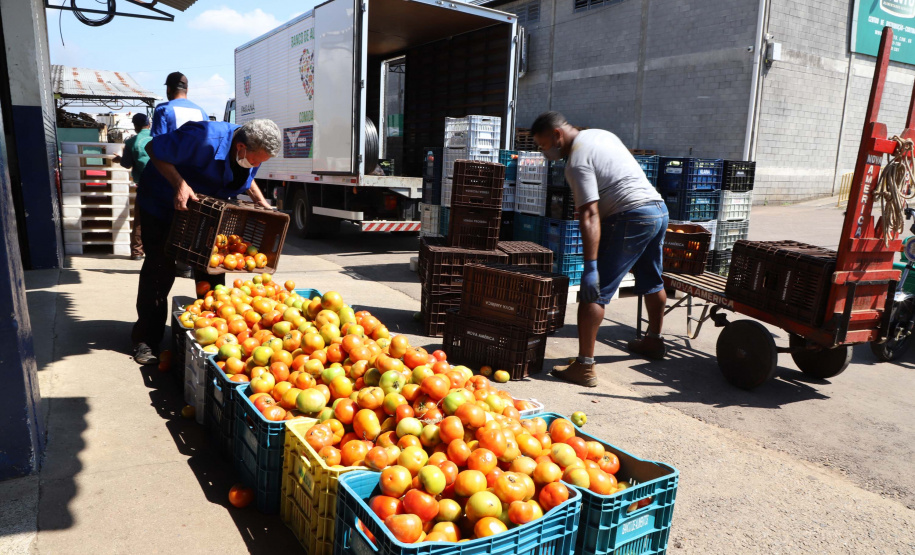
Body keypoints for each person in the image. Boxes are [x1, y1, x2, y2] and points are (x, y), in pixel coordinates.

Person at [531, 111, 669, 388]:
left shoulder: (577, 162)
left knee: (594, 294)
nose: (543, 151)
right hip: (657, 210)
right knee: (652, 281)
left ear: (557, 135)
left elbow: (589, 215)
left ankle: (584, 367)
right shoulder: (600, 134)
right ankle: (653, 341)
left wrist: (591, 266)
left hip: (630, 216)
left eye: (543, 145)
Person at [131, 119, 281, 365]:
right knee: (160, 268)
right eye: (256, 160)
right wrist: (179, 184)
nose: (257, 165)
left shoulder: (249, 153)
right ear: (240, 147)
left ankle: (213, 335)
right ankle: (146, 339)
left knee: (212, 268)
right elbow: (153, 149)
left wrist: (259, 200)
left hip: (203, 210)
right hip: (163, 204)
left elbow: (245, 175)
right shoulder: (204, 138)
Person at [115, 113, 152, 260]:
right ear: (148, 123)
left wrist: (119, 159)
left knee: (140, 220)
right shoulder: (159, 137)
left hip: (144, 186)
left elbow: (126, 164)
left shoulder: (131, 142)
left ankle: (137, 252)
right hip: (163, 185)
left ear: (135, 126)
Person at [151, 72, 209, 137]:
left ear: (168, 89)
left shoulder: (163, 109)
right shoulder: (202, 112)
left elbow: (158, 142)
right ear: (187, 90)